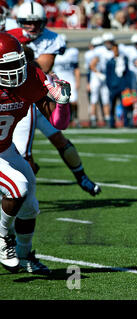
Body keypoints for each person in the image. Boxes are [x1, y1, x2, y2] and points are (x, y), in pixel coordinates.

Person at [8, 1, 101, 197]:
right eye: (27, 22)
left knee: (59, 136)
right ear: (19, 21)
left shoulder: (52, 38)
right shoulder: (10, 33)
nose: (32, 27)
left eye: (37, 22)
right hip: (19, 99)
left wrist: (24, 54)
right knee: (22, 151)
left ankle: (81, 176)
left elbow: (43, 65)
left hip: (41, 95)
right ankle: (22, 195)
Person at [0, 32, 71, 274]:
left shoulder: (29, 77)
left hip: (5, 148)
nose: (14, 70)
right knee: (17, 186)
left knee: (29, 201)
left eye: (17, 63)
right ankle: (1, 239)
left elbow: (58, 123)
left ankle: (24, 255)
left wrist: (61, 102)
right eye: (7, 65)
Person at [52, 34, 80, 127]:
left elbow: (76, 68)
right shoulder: (54, 53)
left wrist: (78, 81)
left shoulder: (72, 52)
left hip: (70, 79)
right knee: (59, 103)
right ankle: (62, 120)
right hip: (59, 80)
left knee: (74, 101)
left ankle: (75, 119)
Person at [105, 41, 133, 128]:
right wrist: (109, 86)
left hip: (123, 86)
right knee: (112, 105)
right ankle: (112, 123)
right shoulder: (110, 62)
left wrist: (128, 86)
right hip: (113, 86)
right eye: (114, 49)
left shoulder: (124, 60)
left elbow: (127, 74)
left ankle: (126, 122)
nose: (116, 51)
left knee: (125, 105)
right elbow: (108, 75)